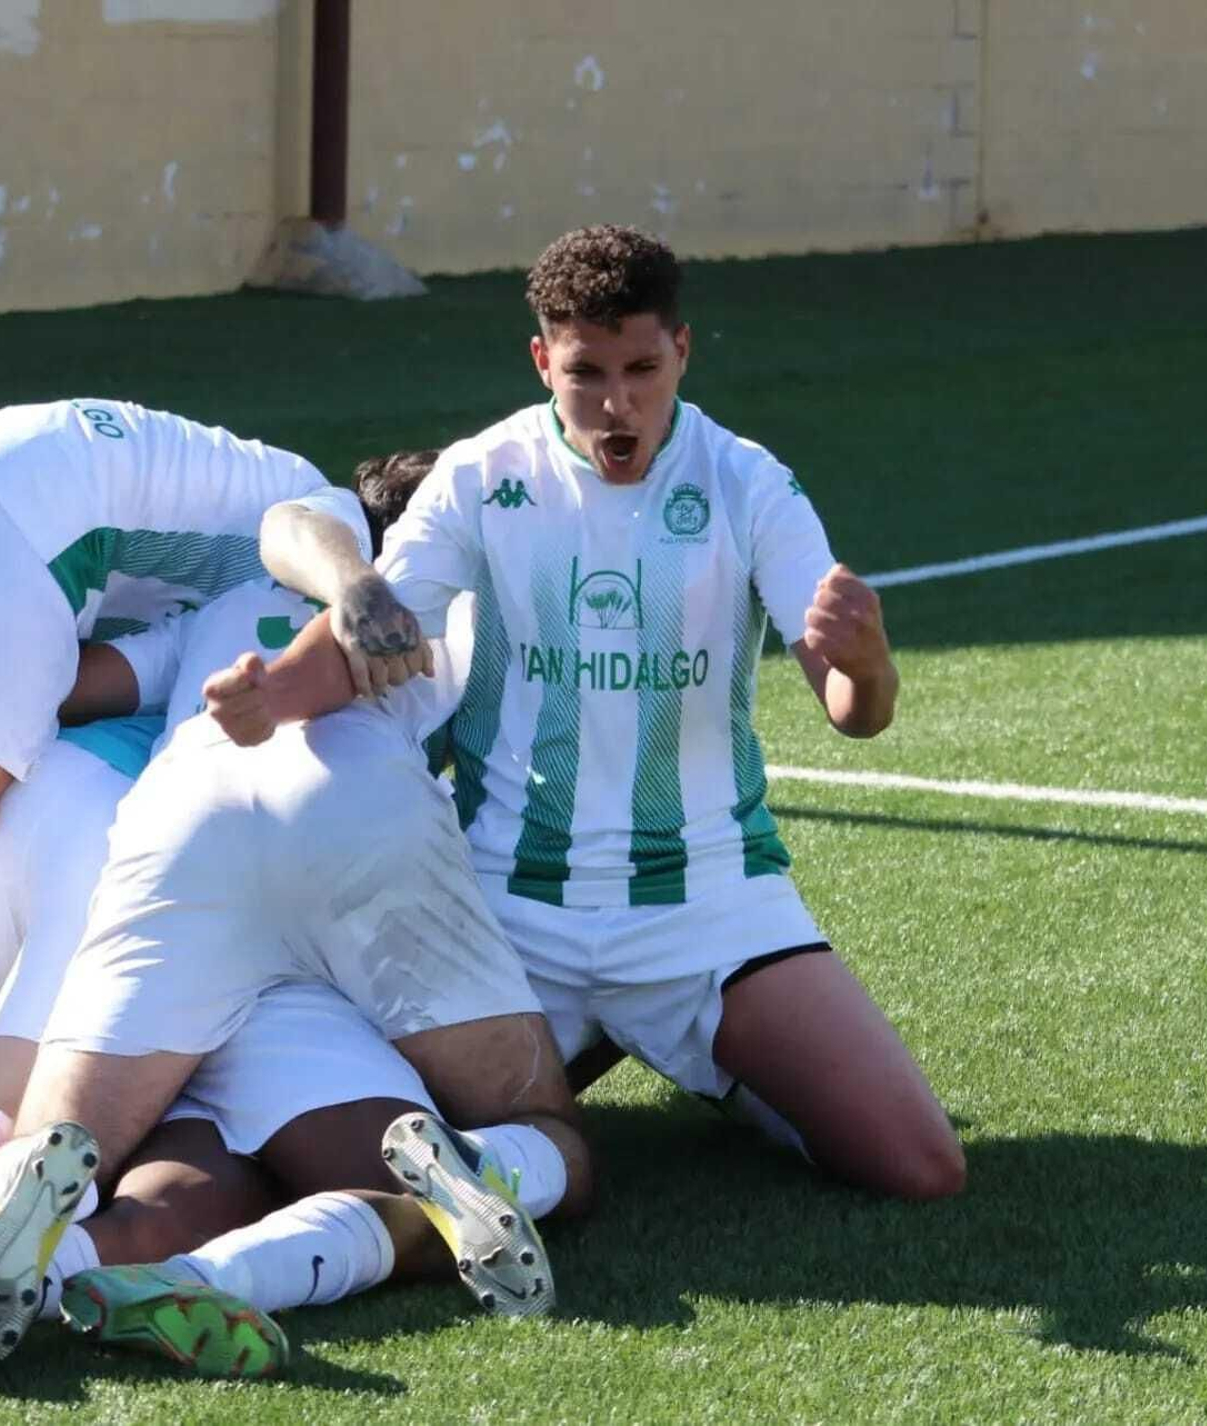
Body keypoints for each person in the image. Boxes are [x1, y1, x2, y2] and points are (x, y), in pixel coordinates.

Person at [363, 224, 965, 1202]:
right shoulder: (479, 474)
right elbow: (373, 632)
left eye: (642, 369)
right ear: (542, 361)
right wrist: (279, 681)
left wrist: (869, 664)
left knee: (922, 1168)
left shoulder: (747, 482)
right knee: (379, 1144)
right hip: (512, 907)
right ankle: (623, 1045)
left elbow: (855, 714)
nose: (618, 402)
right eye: (586, 373)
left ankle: (728, 1068)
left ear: (681, 351)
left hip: (710, 902)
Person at [0, 396, 428, 1135]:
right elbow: (301, 532)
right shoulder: (334, 528)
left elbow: (81, 682)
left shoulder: (222, 596)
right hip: (22, 525)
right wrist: (358, 588)